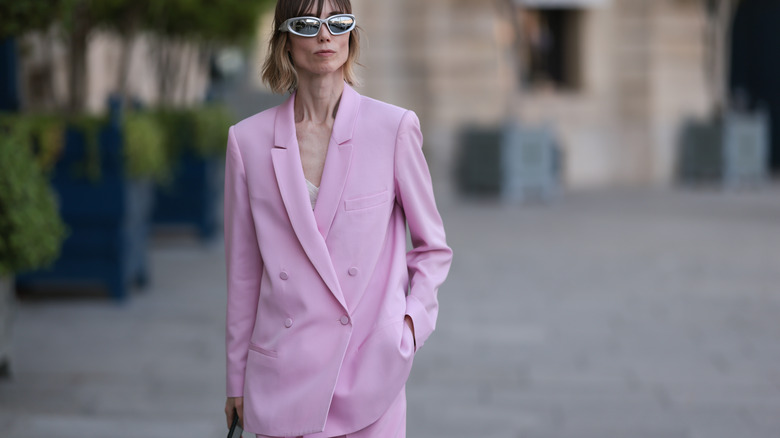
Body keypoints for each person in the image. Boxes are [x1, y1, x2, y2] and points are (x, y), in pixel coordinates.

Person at [223, 0, 452, 436]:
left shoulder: (393, 128)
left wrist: (408, 325)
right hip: (284, 376)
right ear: (284, 41)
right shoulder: (247, 142)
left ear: (351, 35)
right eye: (308, 24)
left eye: (338, 22)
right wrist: (236, 376)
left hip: (370, 370)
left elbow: (433, 247)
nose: (325, 35)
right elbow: (244, 274)